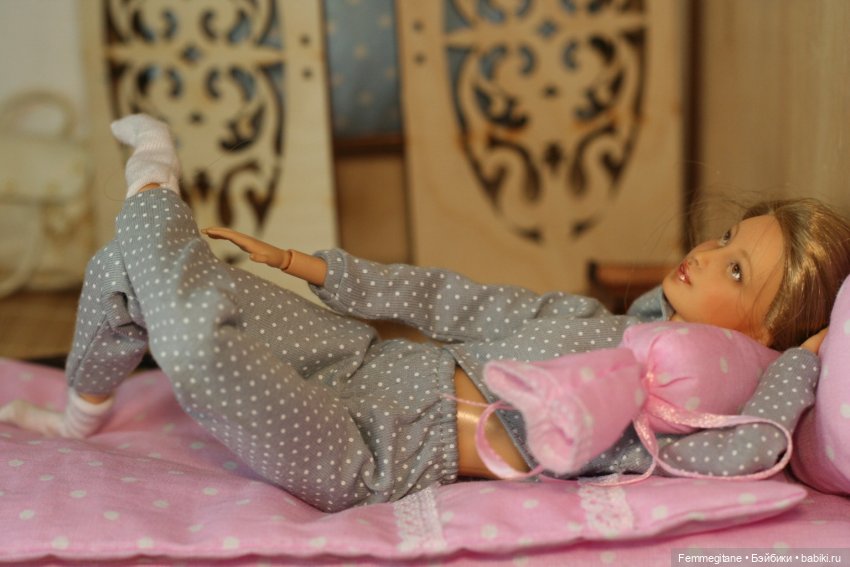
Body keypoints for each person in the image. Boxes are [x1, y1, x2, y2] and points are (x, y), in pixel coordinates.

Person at [2, 115, 849, 513]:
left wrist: (802, 362)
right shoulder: (587, 316)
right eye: (725, 237)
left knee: (192, 347)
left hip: (367, 449)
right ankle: (81, 412)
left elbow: (750, 451)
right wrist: (303, 264)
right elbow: (447, 298)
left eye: (735, 267)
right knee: (119, 272)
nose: (704, 250)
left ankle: (153, 187)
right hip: (363, 358)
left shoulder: (677, 418)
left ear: (762, 332)